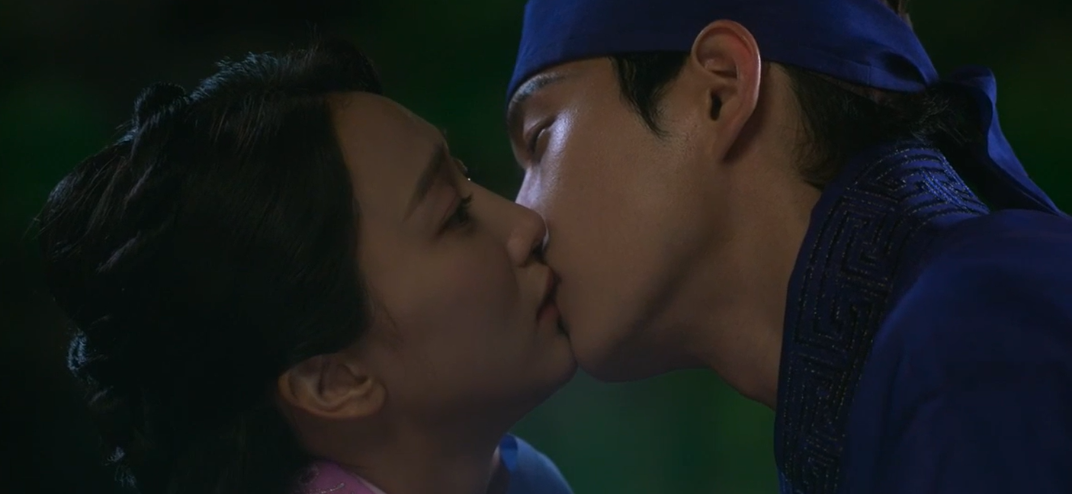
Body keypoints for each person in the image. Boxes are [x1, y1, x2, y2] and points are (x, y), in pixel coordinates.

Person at [505, 0, 1070, 493]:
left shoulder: (983, 336)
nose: (523, 220)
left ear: (720, 91)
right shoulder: (956, 335)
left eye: (540, 136)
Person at [37, 39, 575, 494]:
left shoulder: (518, 476)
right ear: (332, 382)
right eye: (454, 214)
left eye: (467, 177)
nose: (527, 224)